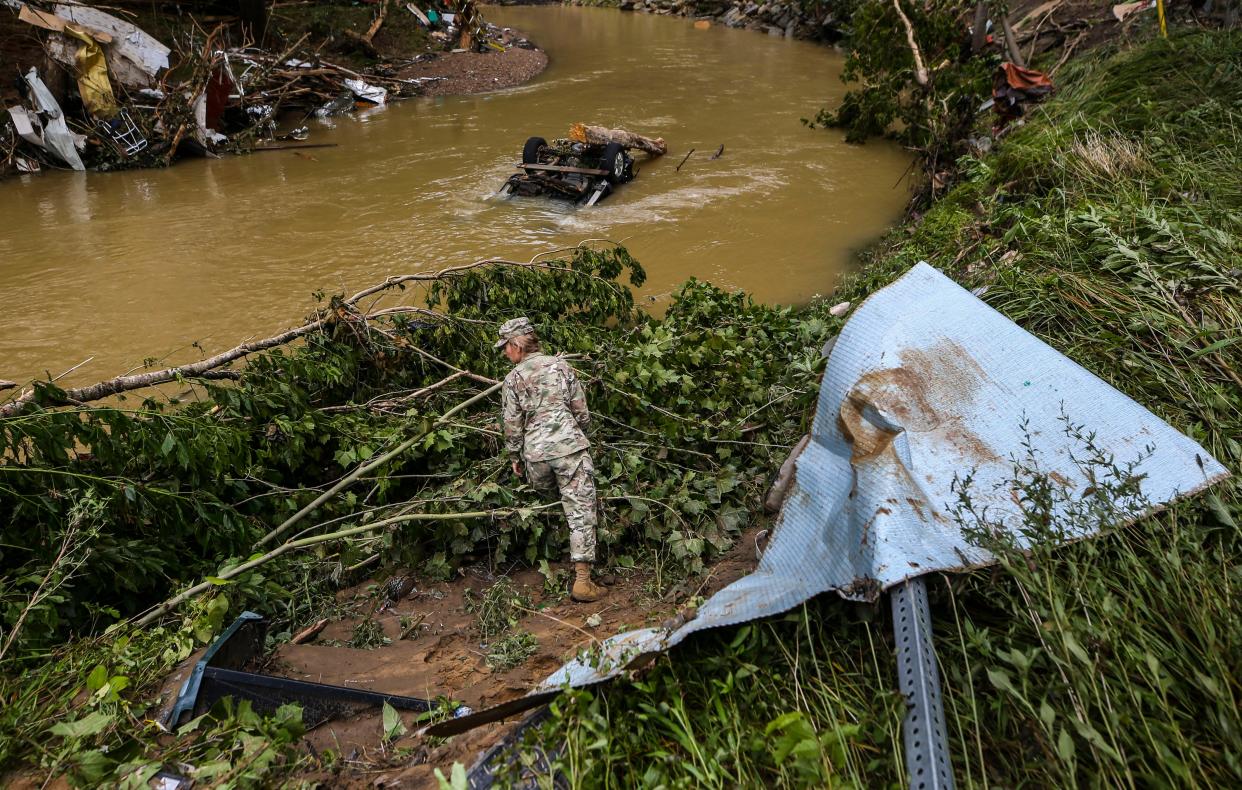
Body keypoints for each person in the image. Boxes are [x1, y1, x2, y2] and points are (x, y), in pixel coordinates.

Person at [496, 317, 605, 603]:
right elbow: (581, 412)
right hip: (569, 450)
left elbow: (511, 424)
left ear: (518, 345)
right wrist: (581, 435)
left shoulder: (513, 379)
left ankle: (556, 542)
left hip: (536, 457)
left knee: (551, 494)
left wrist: (514, 456)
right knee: (580, 509)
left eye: (506, 347)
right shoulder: (561, 367)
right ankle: (583, 580)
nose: (505, 353)